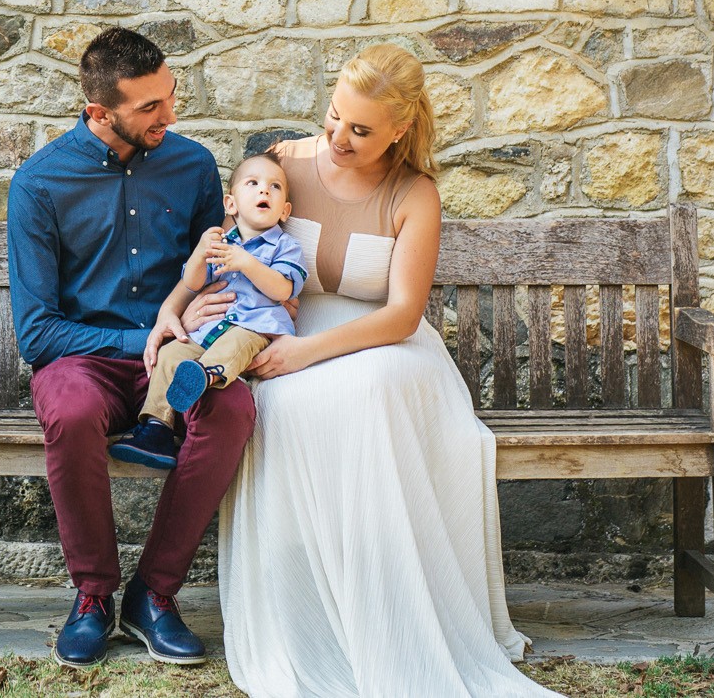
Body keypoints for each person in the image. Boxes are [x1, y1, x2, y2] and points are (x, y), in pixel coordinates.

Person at [200, 44, 562, 698]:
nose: (339, 137)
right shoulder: (282, 166)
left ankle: (390, 613)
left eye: (361, 130)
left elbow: (402, 314)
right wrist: (208, 312)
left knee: (370, 391)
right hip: (290, 330)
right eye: (334, 117)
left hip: (384, 343)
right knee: (283, 407)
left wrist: (309, 352)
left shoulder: (414, 193)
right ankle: (311, 618)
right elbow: (232, 254)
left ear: (400, 129)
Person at [6, 27, 246, 670]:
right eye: (150, 107)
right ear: (99, 112)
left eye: (170, 95)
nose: (170, 115)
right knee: (70, 412)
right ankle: (92, 595)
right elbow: (37, 332)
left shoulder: (193, 166)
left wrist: (208, 310)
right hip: (82, 360)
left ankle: (154, 594)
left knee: (233, 410)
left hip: (178, 356)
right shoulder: (39, 184)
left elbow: (214, 273)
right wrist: (145, 335)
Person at [109, 154, 305, 471]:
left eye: (275, 187)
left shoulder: (284, 246)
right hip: (210, 328)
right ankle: (157, 428)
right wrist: (201, 254)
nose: (264, 191)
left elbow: (283, 289)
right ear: (231, 204)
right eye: (253, 183)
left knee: (236, 342)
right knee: (172, 353)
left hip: (255, 328)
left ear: (284, 210)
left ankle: (208, 374)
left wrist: (247, 263)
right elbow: (193, 282)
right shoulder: (220, 243)